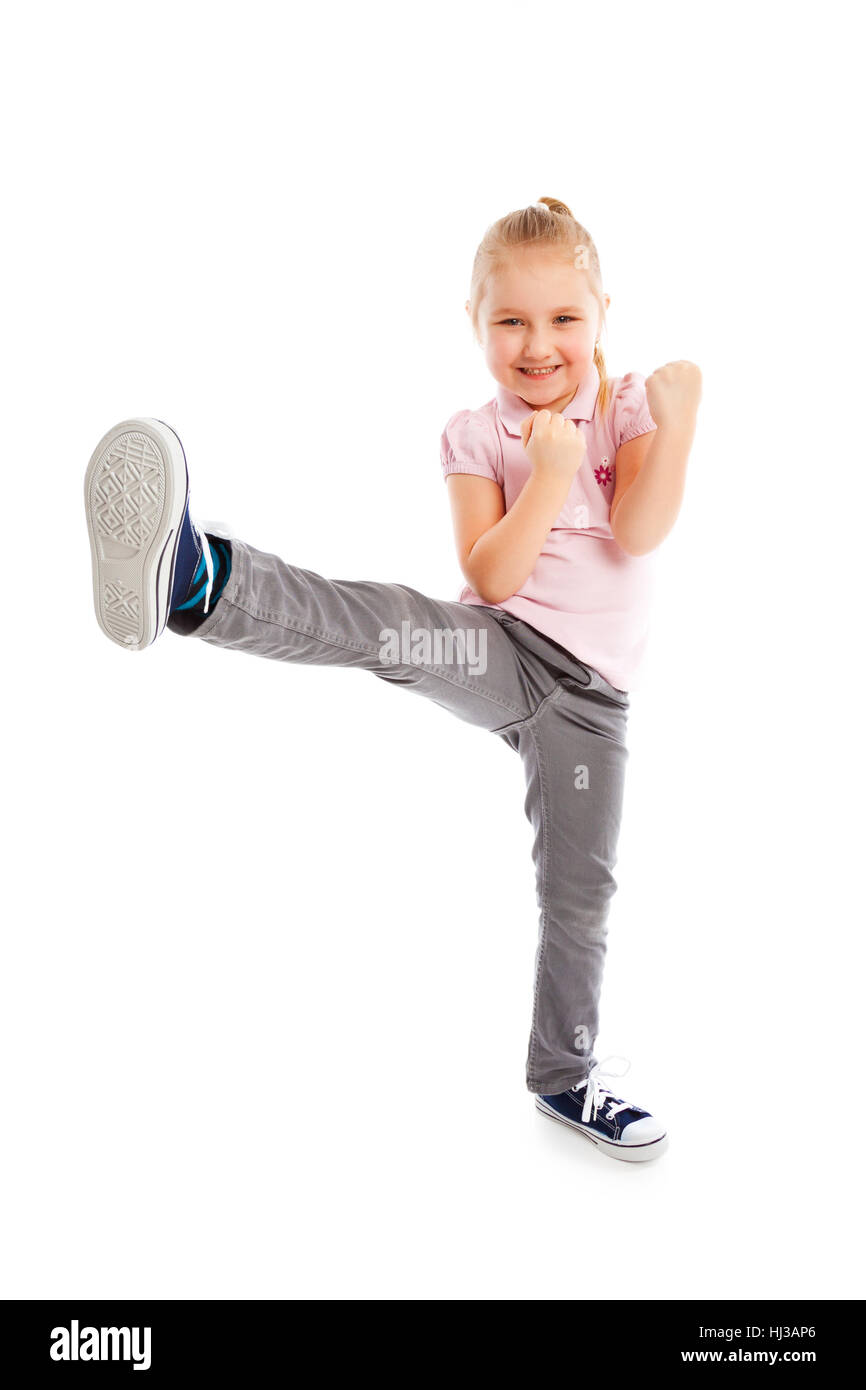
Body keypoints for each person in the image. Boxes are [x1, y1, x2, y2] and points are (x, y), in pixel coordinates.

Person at [83, 196, 701, 1163]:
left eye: (563, 321)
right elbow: (490, 575)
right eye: (510, 322)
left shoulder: (626, 411)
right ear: (475, 323)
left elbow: (641, 530)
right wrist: (545, 477)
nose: (538, 347)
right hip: (503, 653)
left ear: (603, 317)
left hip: (593, 709)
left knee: (581, 891)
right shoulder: (477, 436)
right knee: (395, 630)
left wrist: (680, 422)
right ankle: (200, 581)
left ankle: (565, 1077)